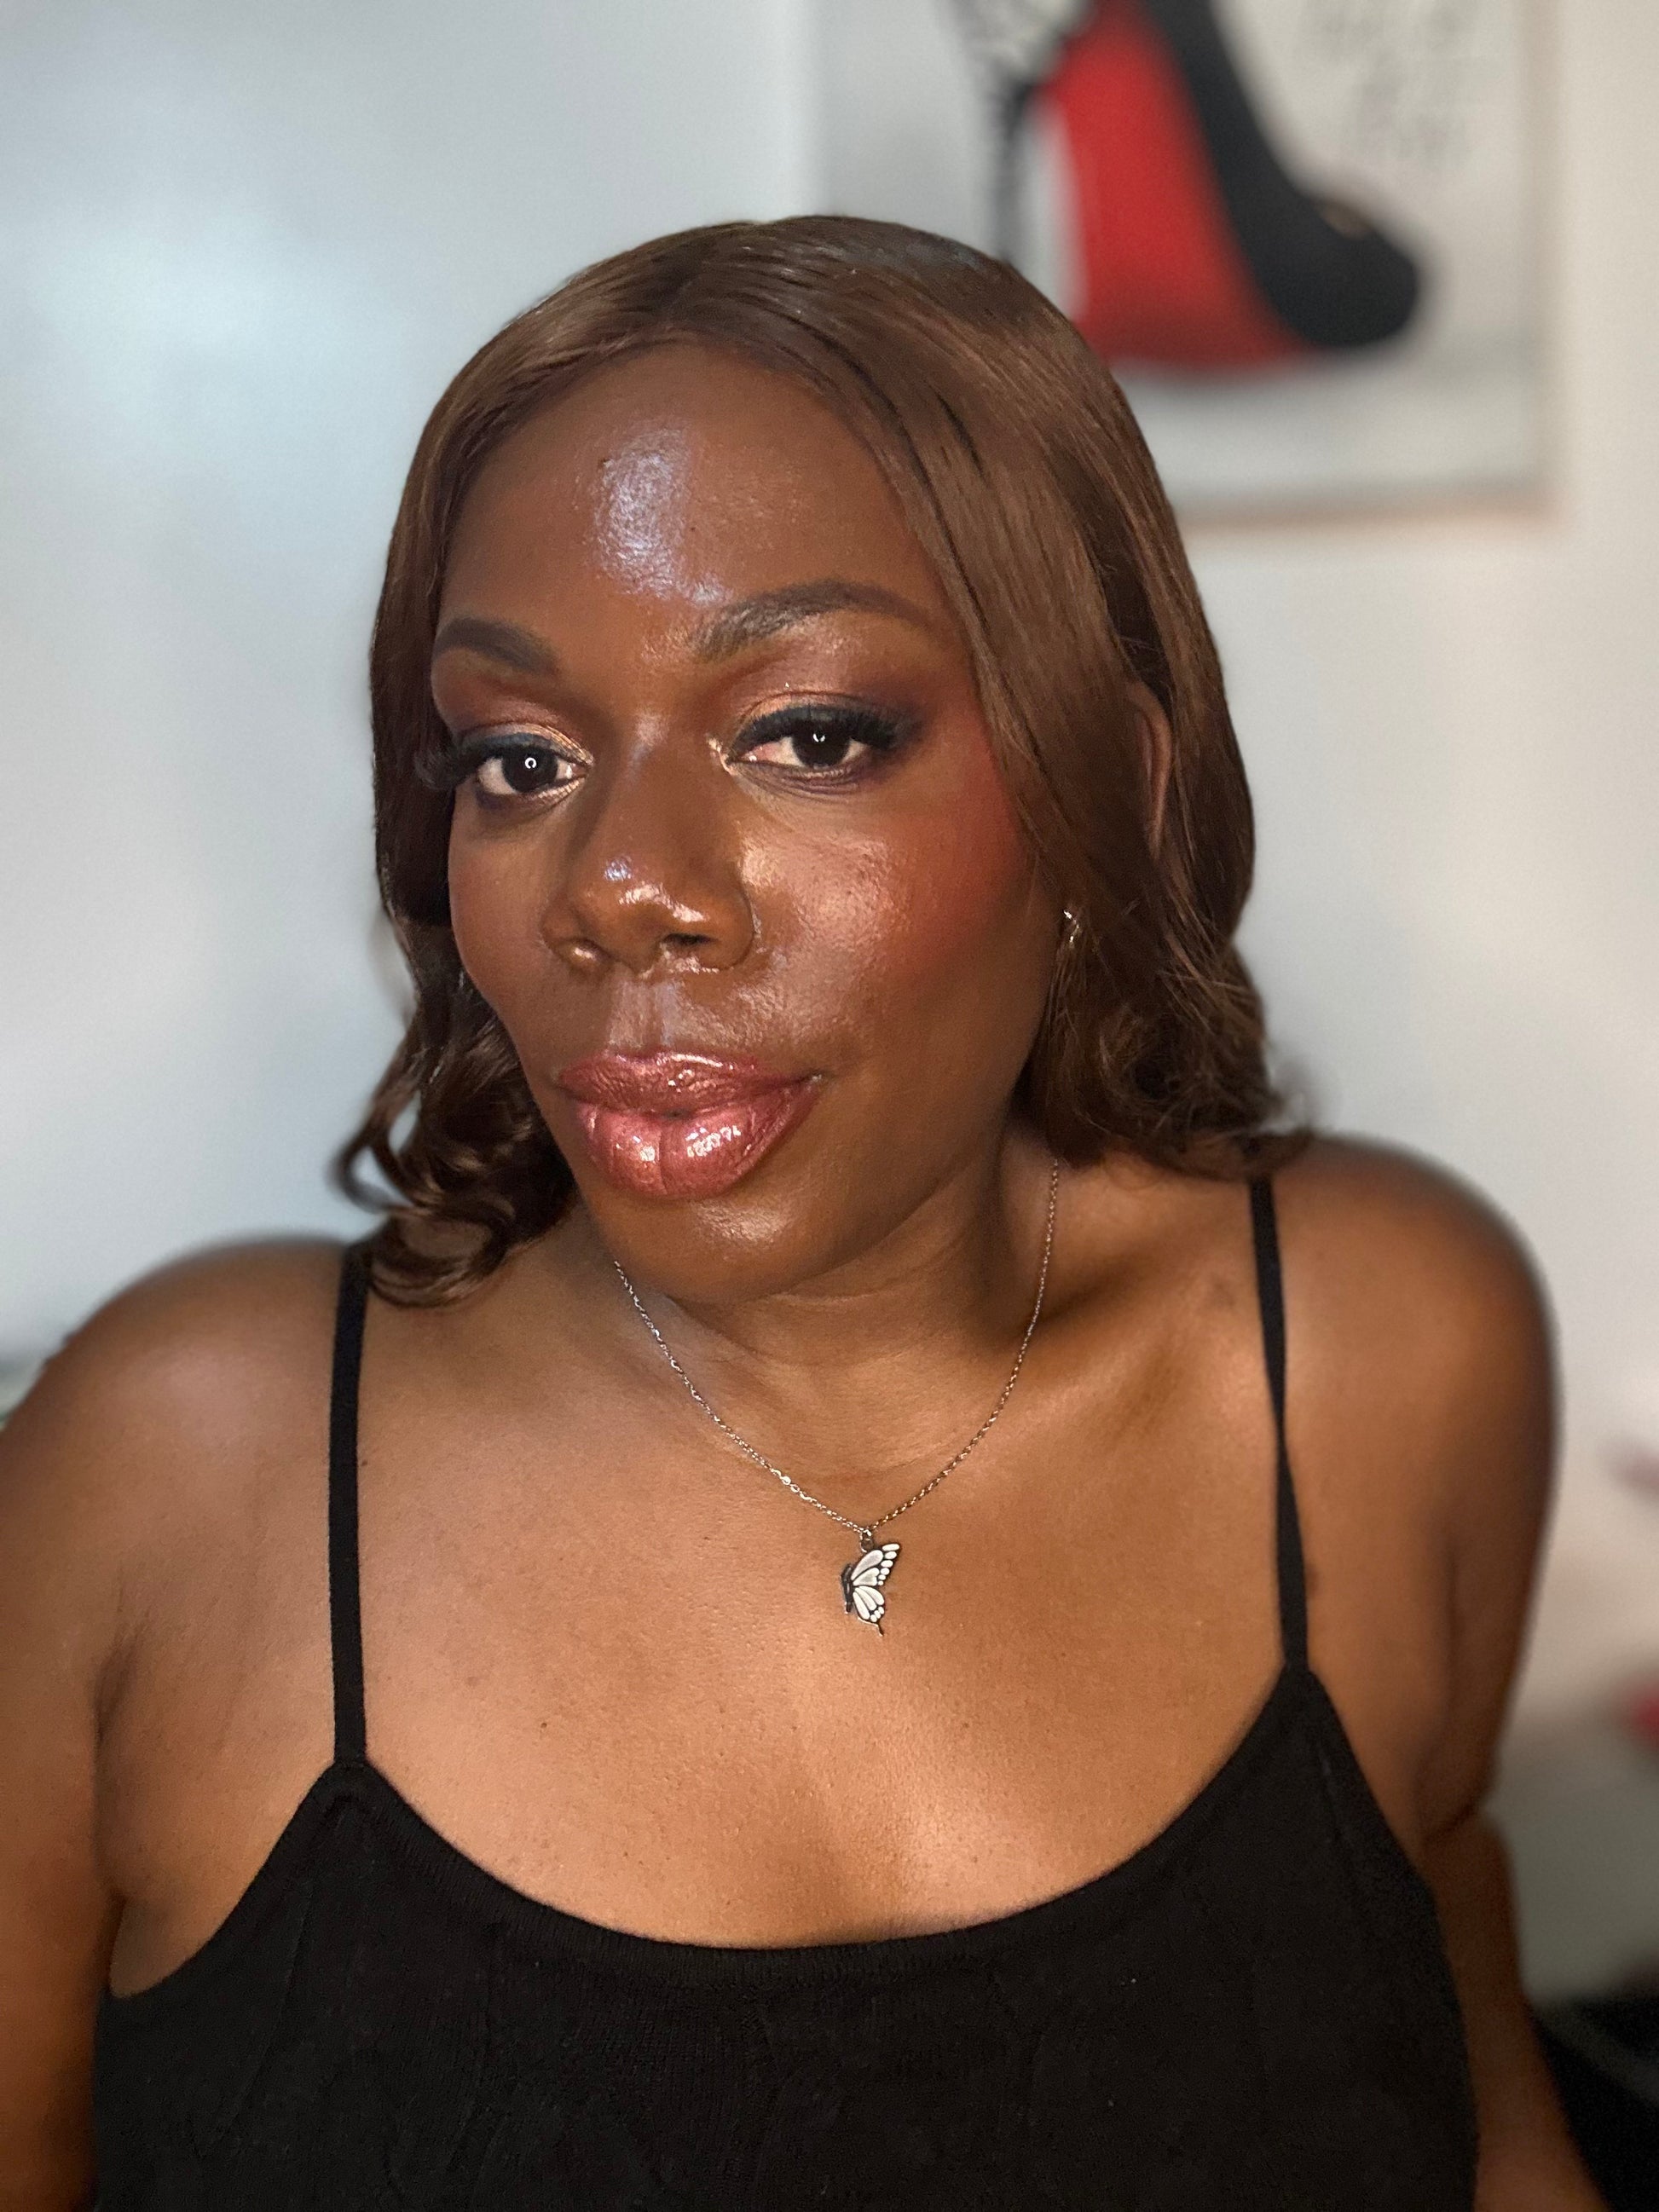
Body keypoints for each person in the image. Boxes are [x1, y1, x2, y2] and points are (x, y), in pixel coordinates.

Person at [0, 217, 1604, 2209]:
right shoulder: (170, 1473)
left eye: (809, 735)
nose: (620, 888)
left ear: (1108, 781)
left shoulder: (1374, 1350)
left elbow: (1465, 2076)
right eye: (519, 757)